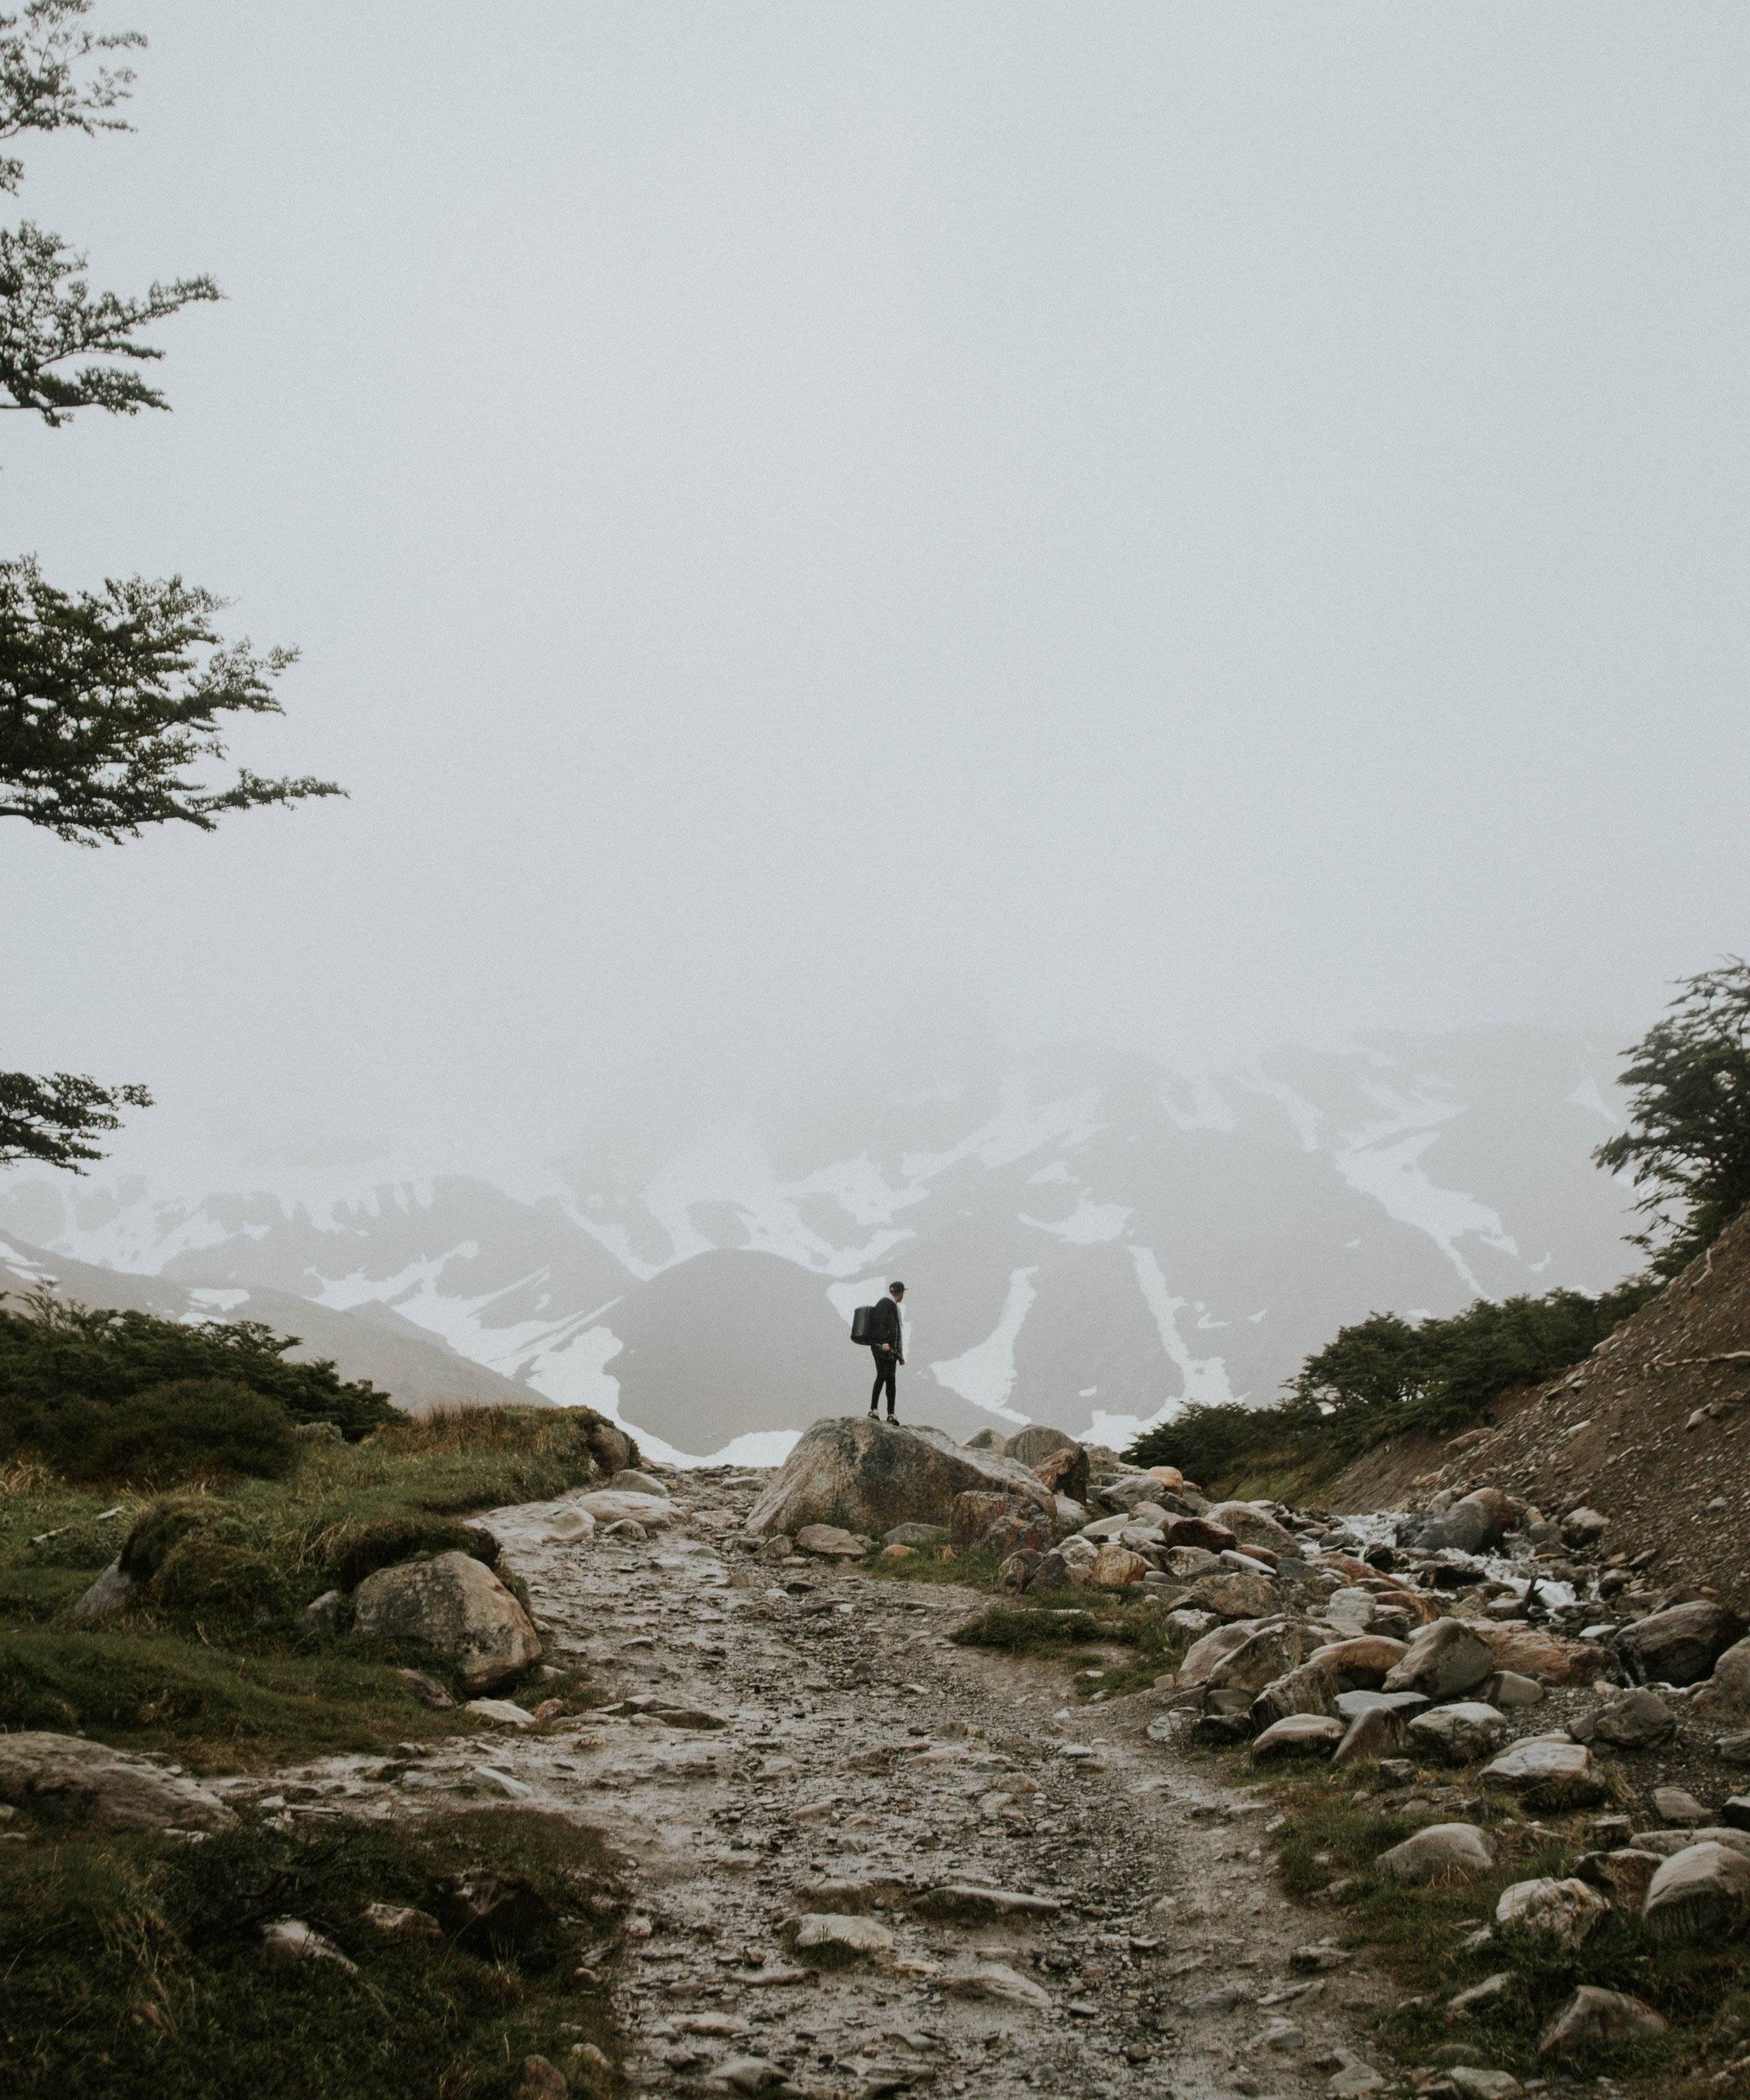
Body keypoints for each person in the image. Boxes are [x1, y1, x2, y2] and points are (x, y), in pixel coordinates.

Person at [866, 1280, 906, 1422]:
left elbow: (895, 1334)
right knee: (882, 1375)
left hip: (890, 1351)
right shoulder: (885, 1303)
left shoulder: (892, 1306)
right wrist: (884, 1342)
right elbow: (880, 1324)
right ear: (900, 1293)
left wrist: (899, 1355)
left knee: (891, 1380)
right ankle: (873, 1410)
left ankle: (891, 1413)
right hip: (880, 1347)